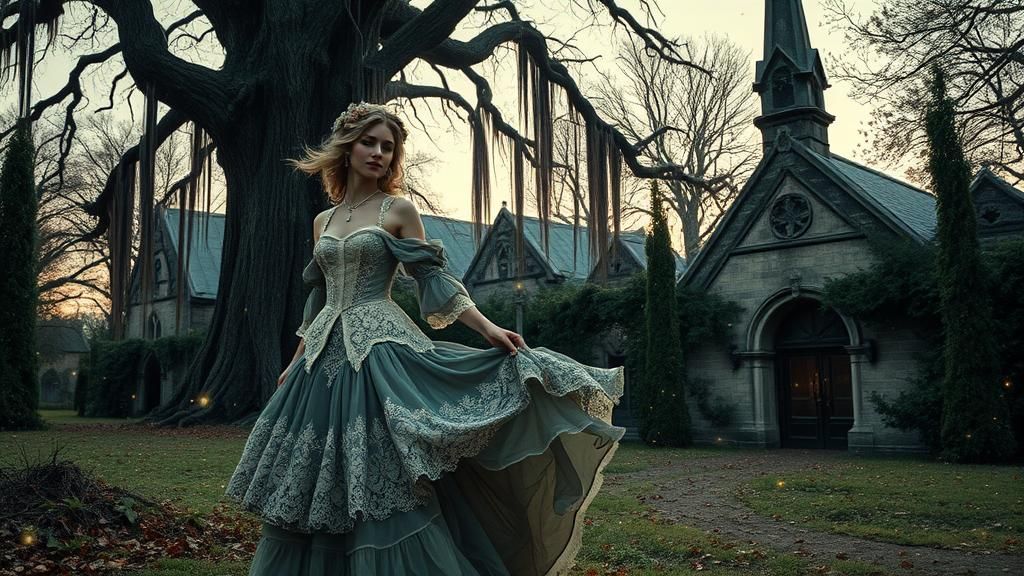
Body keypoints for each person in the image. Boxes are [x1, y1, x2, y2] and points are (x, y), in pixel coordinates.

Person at [225, 101, 625, 575]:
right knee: (319, 478)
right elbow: (320, 302)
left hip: (380, 354)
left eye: (388, 148)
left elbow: (434, 280)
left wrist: (488, 327)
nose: (378, 153)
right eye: (369, 142)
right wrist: (297, 358)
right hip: (321, 362)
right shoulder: (323, 222)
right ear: (347, 147)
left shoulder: (397, 209)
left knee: (385, 475)